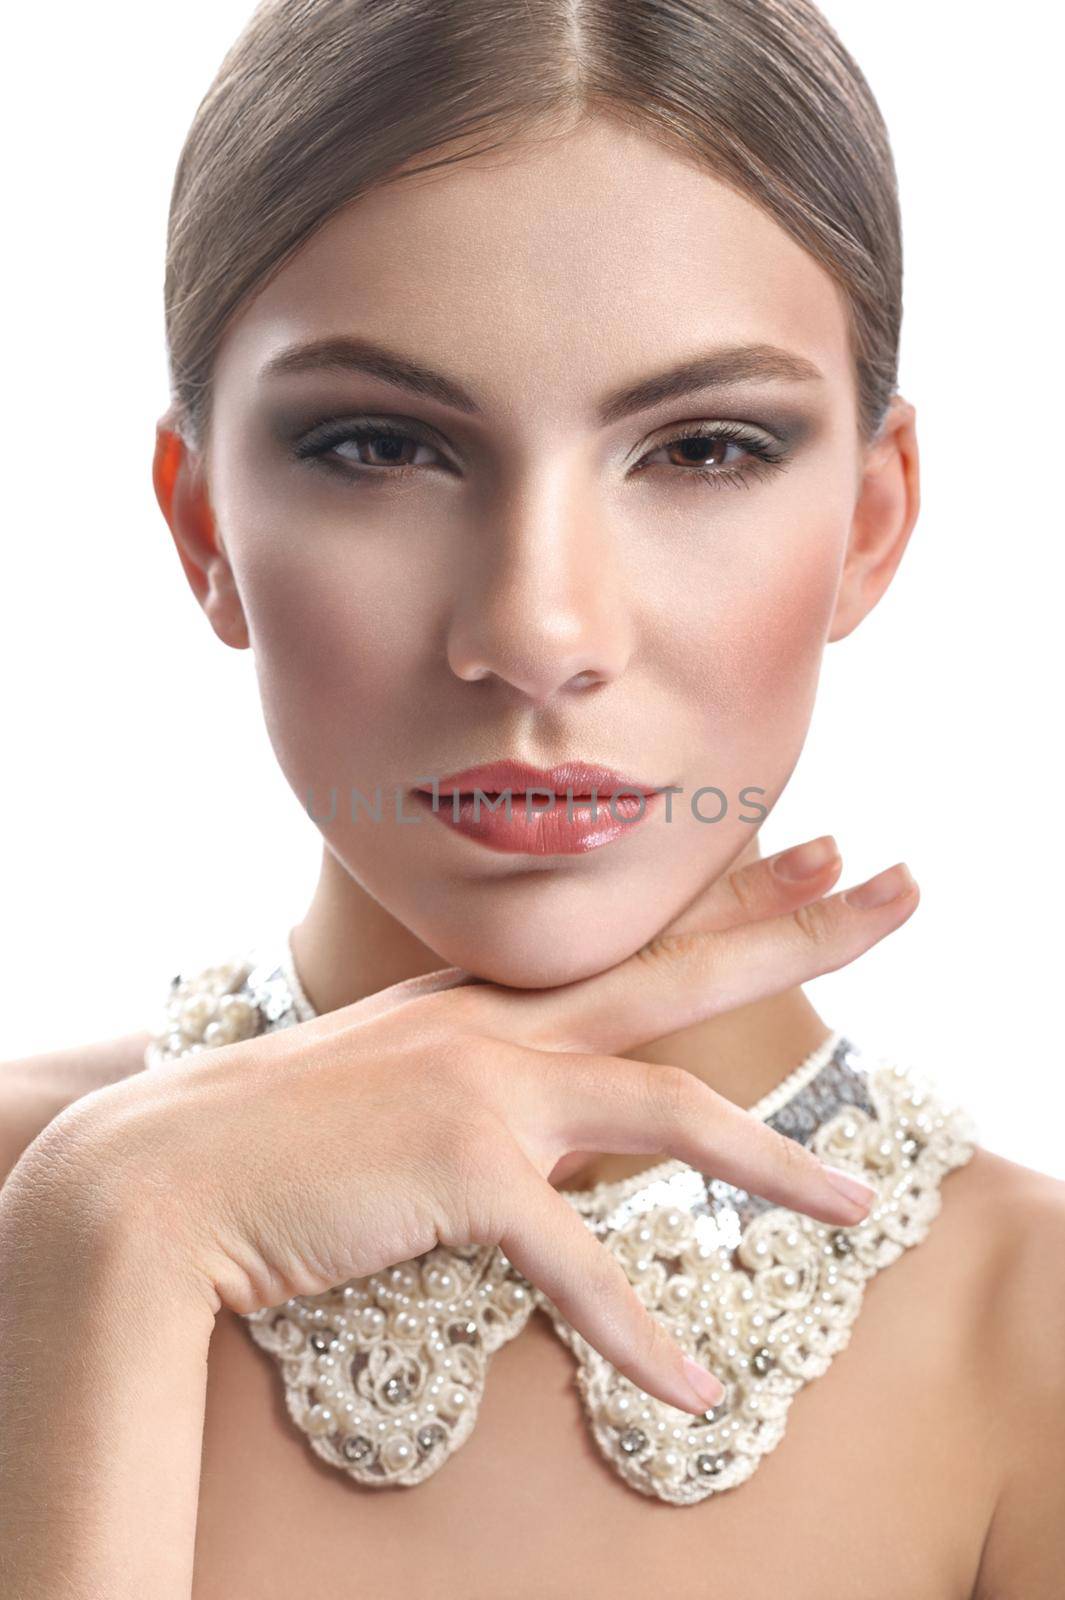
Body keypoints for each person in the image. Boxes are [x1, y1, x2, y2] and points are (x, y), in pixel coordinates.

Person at [1, 0, 1063, 1595]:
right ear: (204, 522)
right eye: (378, 445)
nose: (537, 633)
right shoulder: (43, 1209)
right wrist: (114, 1243)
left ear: (869, 521)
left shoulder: (1031, 1344)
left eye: (702, 448)